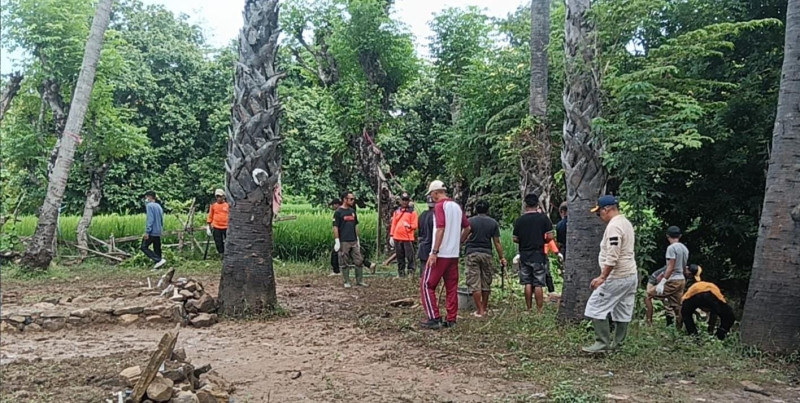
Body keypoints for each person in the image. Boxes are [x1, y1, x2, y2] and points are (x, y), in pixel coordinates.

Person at [582, 195, 637, 354]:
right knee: (622, 310)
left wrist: (602, 277)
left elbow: (613, 254)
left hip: (617, 276)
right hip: (630, 274)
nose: (599, 216)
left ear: (607, 209)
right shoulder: (625, 222)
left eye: (599, 213)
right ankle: (618, 345)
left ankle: (602, 343)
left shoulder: (614, 227)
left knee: (595, 307)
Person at [420, 180, 470, 329]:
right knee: (451, 287)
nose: (432, 198)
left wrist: (434, 252)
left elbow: (440, 229)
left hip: (441, 254)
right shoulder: (456, 206)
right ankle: (451, 318)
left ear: (436, 193)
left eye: (432, 195)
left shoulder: (440, 206)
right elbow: (467, 228)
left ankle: (434, 317)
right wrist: (457, 243)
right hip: (453, 255)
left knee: (427, 285)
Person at [461, 200, 506, 317]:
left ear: (476, 209)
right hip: (487, 253)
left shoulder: (470, 221)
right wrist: (502, 257)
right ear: (488, 210)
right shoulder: (493, 223)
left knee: (474, 281)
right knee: (486, 281)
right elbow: (497, 242)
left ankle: (479, 310)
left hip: (472, 253)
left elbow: (463, 238)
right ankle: (484, 308)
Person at [513, 193, 554, 313]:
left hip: (525, 254)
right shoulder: (543, 218)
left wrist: (523, 240)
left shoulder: (520, 220)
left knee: (527, 282)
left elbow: (515, 238)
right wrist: (543, 240)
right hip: (539, 254)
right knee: (538, 282)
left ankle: (528, 308)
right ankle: (540, 310)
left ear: (525, 205)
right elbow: (550, 236)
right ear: (537, 204)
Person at [681, 264, 735, 340]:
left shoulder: (693, 287)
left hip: (695, 296)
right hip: (711, 295)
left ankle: (693, 335)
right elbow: (720, 308)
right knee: (729, 316)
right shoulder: (712, 287)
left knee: (686, 313)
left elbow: (683, 302)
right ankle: (720, 336)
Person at [653, 226, 689, 327]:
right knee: (678, 305)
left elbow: (670, 267)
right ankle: (678, 327)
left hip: (672, 279)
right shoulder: (684, 248)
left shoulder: (671, 248)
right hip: (681, 279)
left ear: (667, 236)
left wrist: (662, 281)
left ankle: (649, 322)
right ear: (680, 236)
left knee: (649, 294)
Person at [333, 192, 368, 288]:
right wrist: (337, 240)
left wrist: (357, 238)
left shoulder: (352, 211)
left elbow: (355, 225)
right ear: (345, 199)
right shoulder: (338, 212)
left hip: (353, 240)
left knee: (359, 260)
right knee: (344, 261)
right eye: (351, 199)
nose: (353, 201)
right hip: (344, 240)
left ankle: (359, 280)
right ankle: (346, 281)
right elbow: (335, 227)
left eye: (353, 199)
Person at [390, 192, 418, 277]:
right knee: (400, 257)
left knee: (410, 257)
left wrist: (409, 226)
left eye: (406, 200)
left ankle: (411, 272)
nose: (405, 202)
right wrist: (391, 235)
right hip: (397, 237)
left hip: (408, 238)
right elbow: (394, 224)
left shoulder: (412, 212)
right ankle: (401, 273)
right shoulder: (397, 211)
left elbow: (415, 225)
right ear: (400, 201)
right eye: (403, 200)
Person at [141, 190, 167, 269]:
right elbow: (162, 219)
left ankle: (158, 260)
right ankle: (158, 266)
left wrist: (147, 231)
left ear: (149, 197)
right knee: (157, 248)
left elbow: (150, 219)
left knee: (144, 247)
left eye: (146, 197)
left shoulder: (149, 206)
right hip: (158, 230)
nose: (146, 199)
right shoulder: (159, 206)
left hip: (152, 231)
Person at [205, 189, 229, 255]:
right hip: (216, 226)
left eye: (220, 196)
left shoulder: (227, 205)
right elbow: (210, 215)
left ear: (223, 197)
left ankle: (228, 253)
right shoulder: (213, 205)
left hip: (226, 226)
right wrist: (209, 225)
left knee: (228, 241)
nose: (218, 198)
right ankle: (221, 253)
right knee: (218, 241)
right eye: (217, 197)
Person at [416, 195, 435, 278]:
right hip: (433, 247)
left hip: (423, 246)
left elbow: (419, 231)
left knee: (423, 273)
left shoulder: (422, 215)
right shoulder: (436, 216)